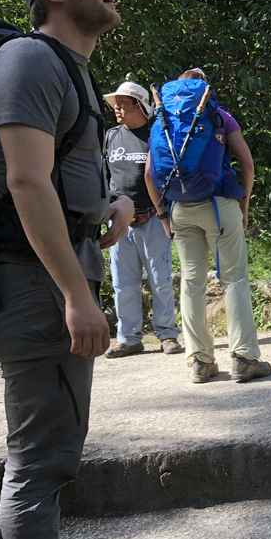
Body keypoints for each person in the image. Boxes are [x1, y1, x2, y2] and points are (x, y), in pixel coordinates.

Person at [0, 0, 151, 539]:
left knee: (53, 454)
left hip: (51, 277)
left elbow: (52, 178)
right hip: (34, 287)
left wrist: (103, 211)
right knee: (39, 464)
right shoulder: (27, 60)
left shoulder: (70, 71)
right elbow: (21, 181)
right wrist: (77, 295)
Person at [144, 68, 271, 384]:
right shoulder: (219, 116)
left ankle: (200, 363)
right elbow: (247, 163)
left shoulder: (164, 121)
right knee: (234, 280)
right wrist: (243, 205)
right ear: (204, 92)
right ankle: (244, 358)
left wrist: (162, 215)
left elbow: (149, 175)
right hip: (219, 205)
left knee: (191, 283)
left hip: (179, 210)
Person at [103, 81, 183, 358]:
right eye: (115, 103)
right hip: (119, 221)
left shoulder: (156, 133)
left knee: (160, 279)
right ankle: (128, 338)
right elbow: (102, 175)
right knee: (122, 283)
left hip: (154, 218)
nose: (117, 108)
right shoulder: (111, 136)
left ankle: (167, 335)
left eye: (123, 102)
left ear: (140, 105)